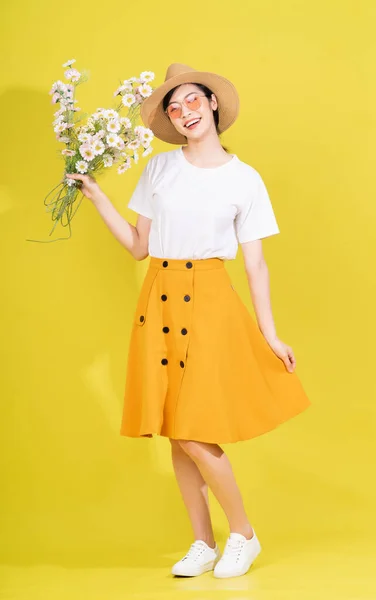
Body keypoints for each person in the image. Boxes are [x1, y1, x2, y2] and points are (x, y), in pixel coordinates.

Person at [67, 62, 311, 579]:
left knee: (197, 427)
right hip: (158, 298)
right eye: (174, 107)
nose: (184, 113)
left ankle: (242, 534)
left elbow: (256, 263)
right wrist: (96, 196)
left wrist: (270, 333)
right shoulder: (159, 169)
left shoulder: (245, 179)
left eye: (192, 100)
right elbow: (138, 246)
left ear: (214, 103)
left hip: (210, 302)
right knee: (177, 430)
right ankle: (202, 541)